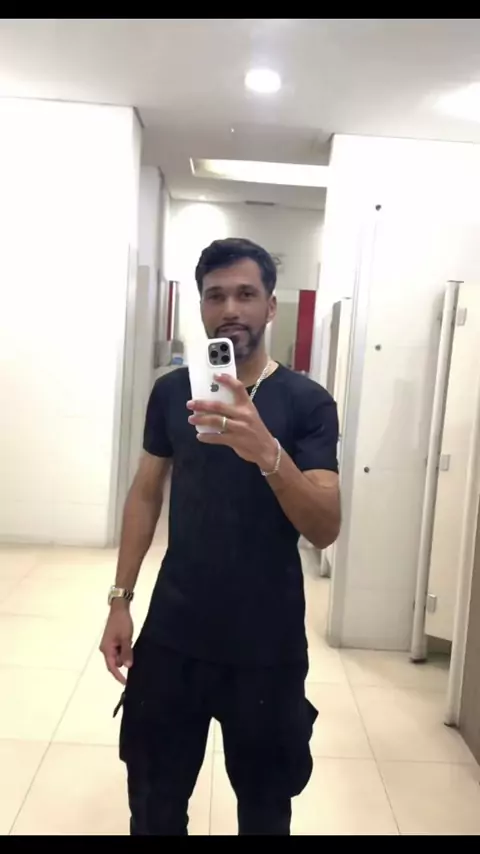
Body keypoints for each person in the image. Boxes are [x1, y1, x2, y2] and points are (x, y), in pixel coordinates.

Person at [100, 237, 341, 836]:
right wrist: (120, 600)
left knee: (264, 812)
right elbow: (146, 492)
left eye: (245, 294)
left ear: (271, 306)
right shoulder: (171, 392)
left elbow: (324, 526)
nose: (230, 308)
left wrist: (267, 452)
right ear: (202, 306)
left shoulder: (308, 403)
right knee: (153, 808)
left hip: (267, 644)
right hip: (174, 633)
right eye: (216, 296)